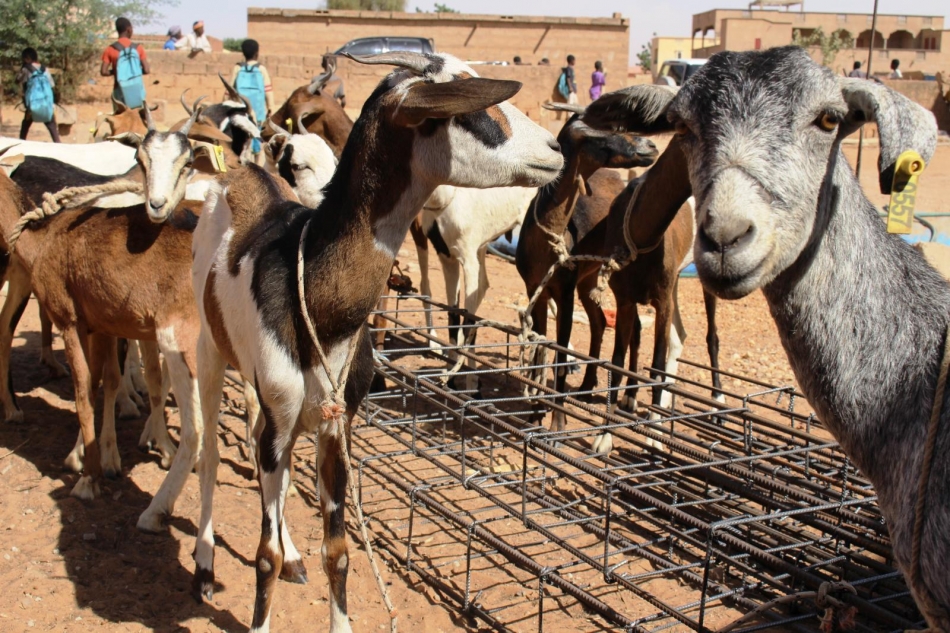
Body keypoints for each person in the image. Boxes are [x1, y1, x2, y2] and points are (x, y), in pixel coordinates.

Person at [101, 17, 150, 108]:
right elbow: (147, 70)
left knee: (119, 116)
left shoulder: (110, 49)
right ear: (129, 30)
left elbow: (103, 72)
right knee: (139, 115)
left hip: (119, 91)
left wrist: (117, 71)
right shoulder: (138, 48)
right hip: (136, 90)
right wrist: (134, 71)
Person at [16, 47, 60, 142]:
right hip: (46, 103)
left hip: (33, 104)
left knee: (25, 125)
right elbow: (52, 85)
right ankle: (58, 144)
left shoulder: (26, 69)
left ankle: (21, 143)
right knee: (51, 125)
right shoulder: (45, 69)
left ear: (26, 58)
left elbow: (18, 80)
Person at [230, 39, 275, 124]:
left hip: (240, 114)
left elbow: (229, 91)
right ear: (257, 53)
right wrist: (271, 109)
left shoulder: (237, 68)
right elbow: (268, 92)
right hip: (258, 114)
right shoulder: (261, 69)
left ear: (243, 54)